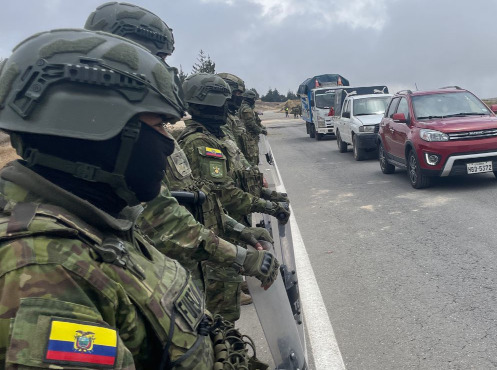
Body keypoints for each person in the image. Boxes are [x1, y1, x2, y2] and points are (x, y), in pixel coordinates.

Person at [0, 28, 274, 369]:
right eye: (158, 124)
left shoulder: (101, 220)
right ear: (95, 131)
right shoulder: (45, 271)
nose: (167, 142)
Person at [84, 2, 275, 295]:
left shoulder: (138, 131)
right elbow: (160, 218)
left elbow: (185, 204)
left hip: (181, 283)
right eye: (158, 58)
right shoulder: (99, 141)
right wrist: (240, 255)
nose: (163, 69)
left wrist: (240, 232)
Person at [178, 73, 290, 322]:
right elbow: (223, 195)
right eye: (222, 104)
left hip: (222, 228)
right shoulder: (200, 142)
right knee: (221, 314)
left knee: (227, 304)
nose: (227, 109)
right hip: (212, 239)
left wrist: (267, 196)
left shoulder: (216, 135)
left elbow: (236, 178)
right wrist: (267, 205)